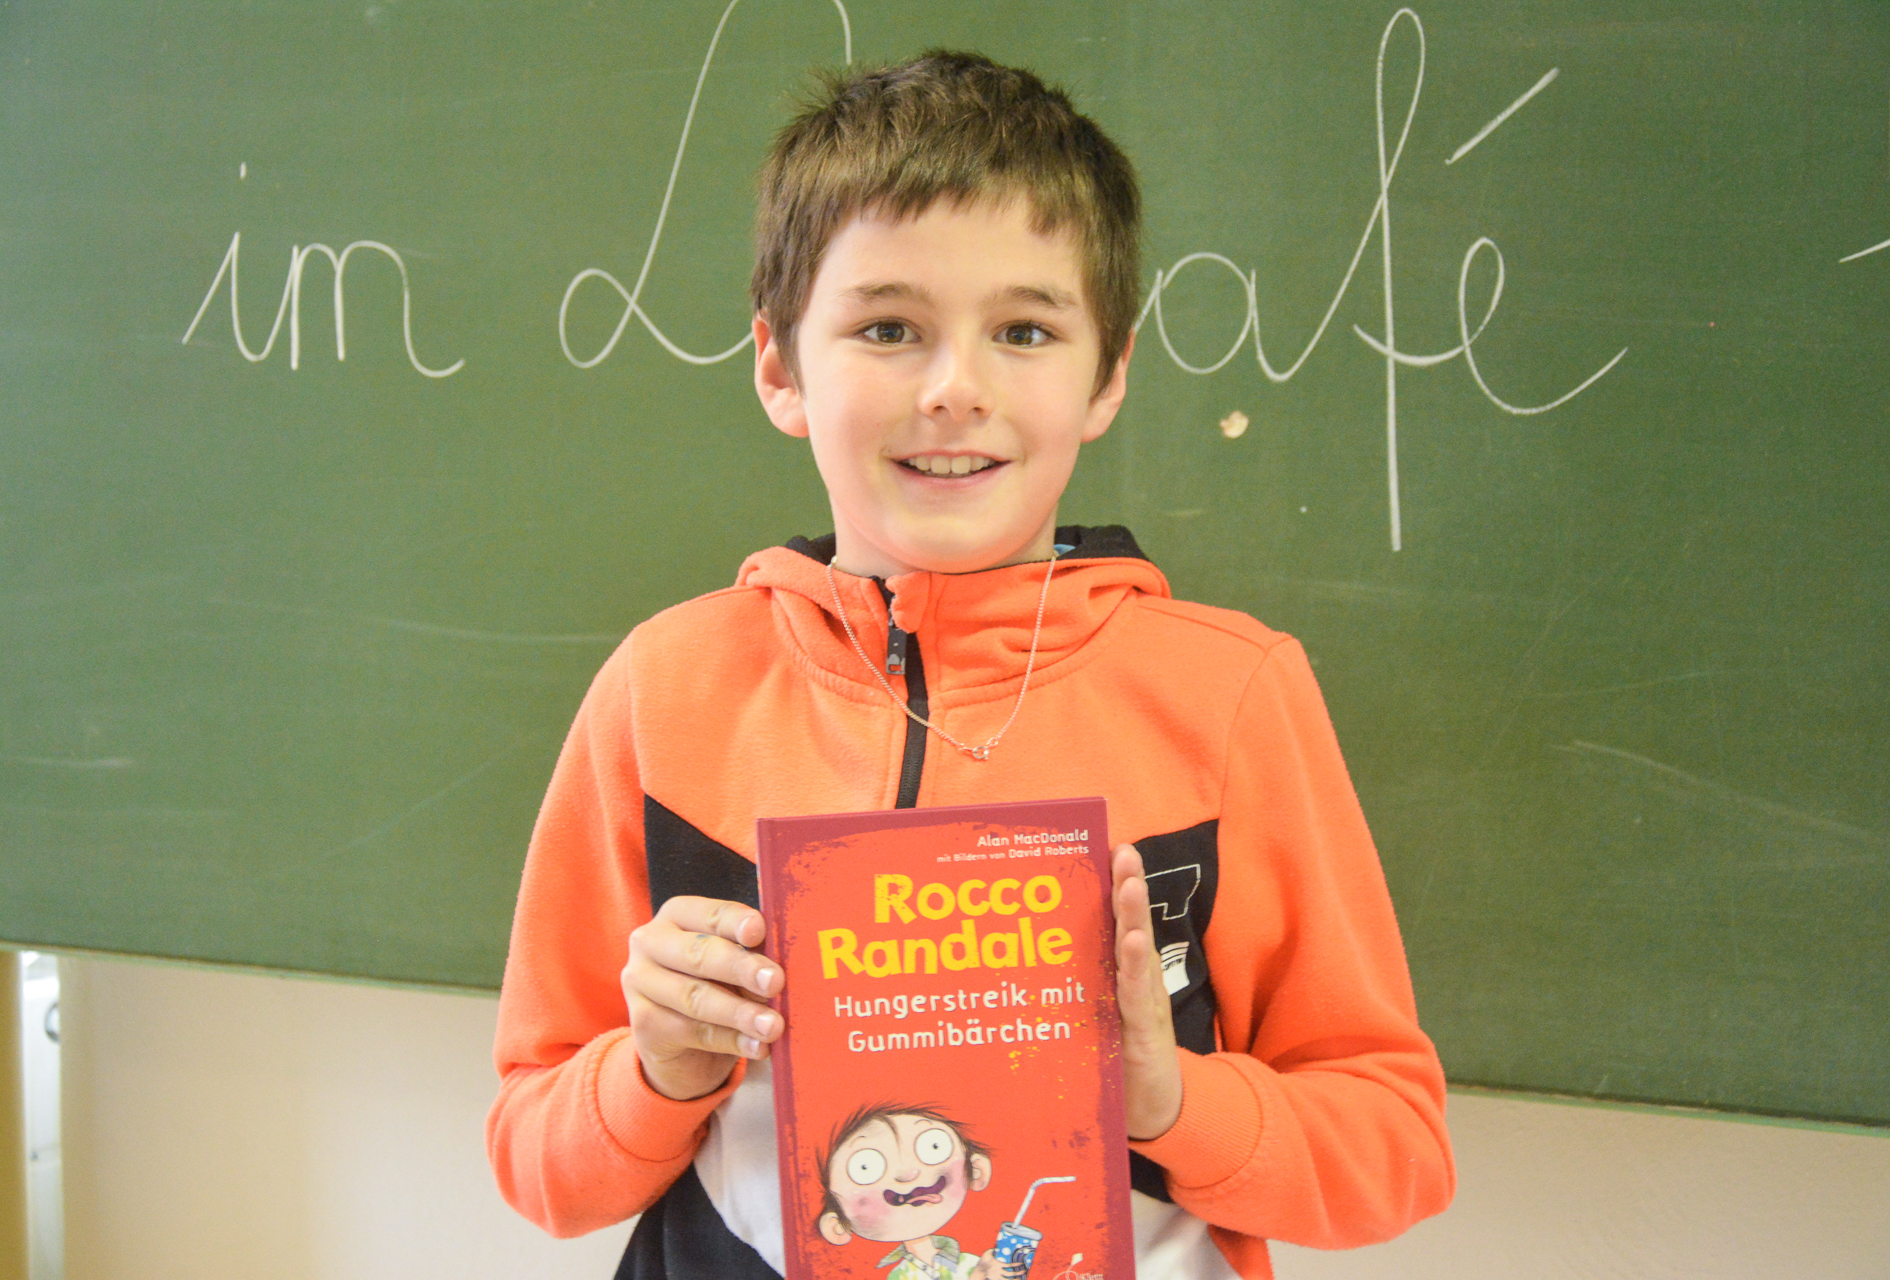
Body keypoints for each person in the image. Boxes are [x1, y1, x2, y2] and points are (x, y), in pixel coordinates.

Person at [487, 50, 1454, 1280]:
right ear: (781, 366)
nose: (956, 388)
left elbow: (1393, 1150)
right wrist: (655, 1071)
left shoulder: (1229, 699)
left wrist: (1170, 1099)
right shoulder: (664, 690)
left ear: (1107, 375)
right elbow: (536, 1160)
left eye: (1025, 330)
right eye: (888, 327)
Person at [814, 1104, 1010, 1280]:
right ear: (836, 1226)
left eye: (934, 1146)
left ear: (976, 1170)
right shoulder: (901, 1276)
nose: (907, 1174)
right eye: (865, 1167)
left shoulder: (970, 1263)